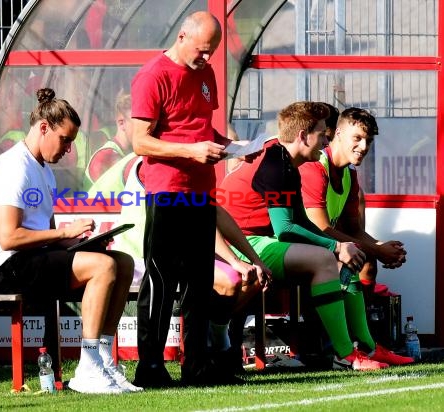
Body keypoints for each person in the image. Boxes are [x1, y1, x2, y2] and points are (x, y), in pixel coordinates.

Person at [219, 101, 413, 370]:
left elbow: (299, 222)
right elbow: (285, 229)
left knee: (344, 256)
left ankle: (366, 346)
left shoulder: (289, 163)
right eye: (323, 134)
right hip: (239, 244)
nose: (326, 140)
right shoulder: (277, 163)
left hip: (257, 240)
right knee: (324, 259)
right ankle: (344, 355)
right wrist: (336, 247)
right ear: (302, 136)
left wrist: (342, 246)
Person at [0, 88, 141, 394]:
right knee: (102, 268)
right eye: (65, 140)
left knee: (122, 262)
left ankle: (103, 359)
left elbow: (47, 238)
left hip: (32, 260)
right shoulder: (15, 167)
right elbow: (8, 237)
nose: (68, 149)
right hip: (4, 269)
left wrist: (82, 243)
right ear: (43, 128)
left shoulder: (44, 172)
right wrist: (65, 233)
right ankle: (88, 368)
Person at [129, 11, 260, 387]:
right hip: (167, 190)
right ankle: (150, 367)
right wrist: (191, 152)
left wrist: (234, 148)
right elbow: (140, 141)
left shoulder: (205, 74)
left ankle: (197, 365)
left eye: (212, 52)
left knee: (200, 282)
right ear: (182, 35)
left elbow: (202, 129)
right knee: (160, 279)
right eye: (202, 51)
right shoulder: (152, 76)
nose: (206, 58)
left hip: (201, 190)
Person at [111, 156, 270, 380]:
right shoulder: (162, 168)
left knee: (246, 278)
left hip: (183, 252)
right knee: (230, 279)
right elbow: (199, 218)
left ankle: (210, 353)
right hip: (139, 256)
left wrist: (255, 260)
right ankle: (210, 352)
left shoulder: (196, 171)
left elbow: (212, 214)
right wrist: (235, 261)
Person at [302, 106, 406, 300]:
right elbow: (321, 229)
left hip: (321, 245)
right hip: (299, 244)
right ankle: (332, 327)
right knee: (354, 260)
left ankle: (357, 326)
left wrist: (384, 248)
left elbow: (353, 229)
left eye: (369, 140)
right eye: (357, 138)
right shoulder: (315, 167)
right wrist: (377, 250)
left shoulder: (350, 175)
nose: (365, 147)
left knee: (367, 261)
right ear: (338, 133)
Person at [84, 91, 133, 189]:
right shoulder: (105, 157)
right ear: (121, 123)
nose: (146, 126)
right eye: (139, 121)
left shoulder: (129, 153)